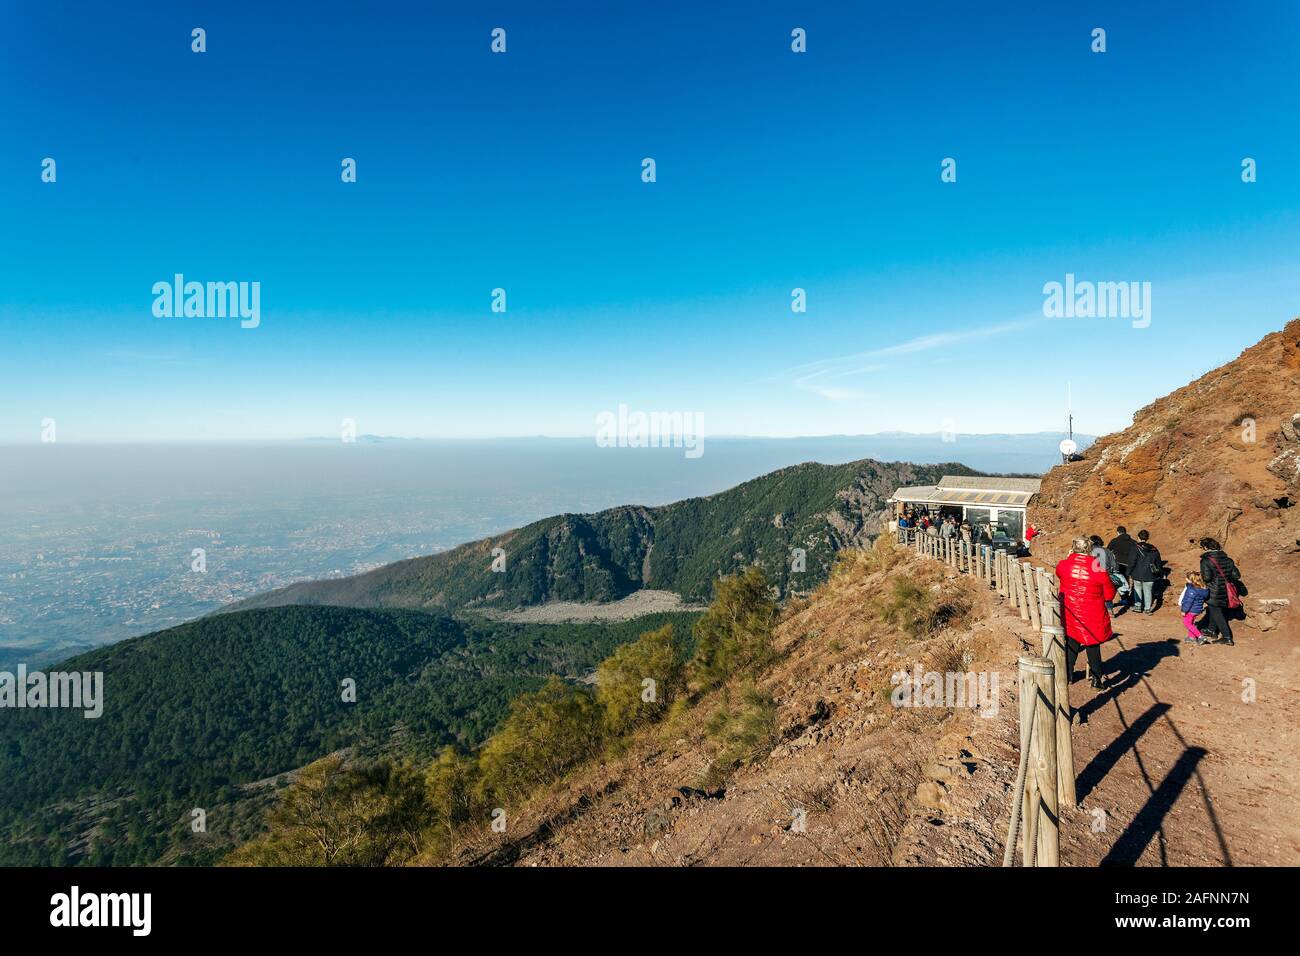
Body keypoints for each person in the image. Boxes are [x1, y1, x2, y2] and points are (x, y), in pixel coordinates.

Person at [1056, 536, 1117, 689]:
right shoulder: (1097, 566)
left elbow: (1059, 573)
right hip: (1092, 611)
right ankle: (1097, 679)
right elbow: (1109, 595)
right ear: (1089, 549)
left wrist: (1069, 558)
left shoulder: (1064, 564)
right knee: (1093, 645)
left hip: (1070, 609)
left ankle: (1068, 674)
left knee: (1071, 641)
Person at [1198, 537, 1243, 646]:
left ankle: (1227, 637)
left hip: (1213, 590)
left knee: (1217, 613)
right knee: (1214, 610)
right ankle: (1211, 630)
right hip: (1226, 591)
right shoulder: (1228, 559)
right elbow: (1236, 575)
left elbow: (1207, 578)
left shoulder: (1206, 560)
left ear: (1205, 547)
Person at [1129, 530, 1163, 614]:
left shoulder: (1135, 548)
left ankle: (1138, 606)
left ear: (1138, 537)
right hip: (1150, 574)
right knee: (1148, 591)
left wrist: (1128, 572)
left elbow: (1132, 562)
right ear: (1147, 538)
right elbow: (1158, 562)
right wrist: (1160, 573)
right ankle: (1147, 608)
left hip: (1137, 573)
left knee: (1137, 589)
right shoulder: (1154, 549)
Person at [1088, 534, 1121, 615]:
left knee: (1094, 594)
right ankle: (1109, 609)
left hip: (1093, 575)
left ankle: (1095, 611)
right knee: (1107, 593)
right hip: (1106, 574)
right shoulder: (1107, 551)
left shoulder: (1089, 552)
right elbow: (1114, 564)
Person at [1179, 571, 1210, 645]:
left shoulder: (1192, 590)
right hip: (1198, 609)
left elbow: (1188, 602)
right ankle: (1191, 637)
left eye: (1187, 578)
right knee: (1191, 622)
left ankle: (1200, 636)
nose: (1186, 579)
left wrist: (1184, 610)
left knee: (1186, 623)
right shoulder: (1202, 588)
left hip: (1191, 609)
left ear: (1191, 580)